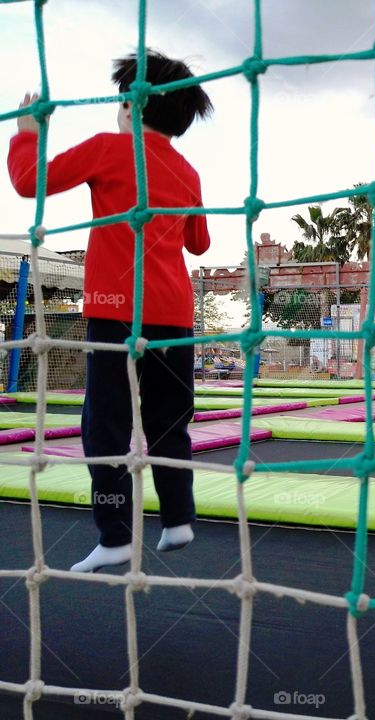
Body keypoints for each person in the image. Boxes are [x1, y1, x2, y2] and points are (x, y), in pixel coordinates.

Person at [7, 51, 213, 573]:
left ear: (129, 105)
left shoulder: (109, 149)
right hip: (175, 316)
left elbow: (30, 182)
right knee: (170, 421)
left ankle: (116, 534)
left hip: (116, 313)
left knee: (105, 425)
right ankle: (179, 518)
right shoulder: (187, 170)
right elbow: (201, 243)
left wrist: (27, 130)